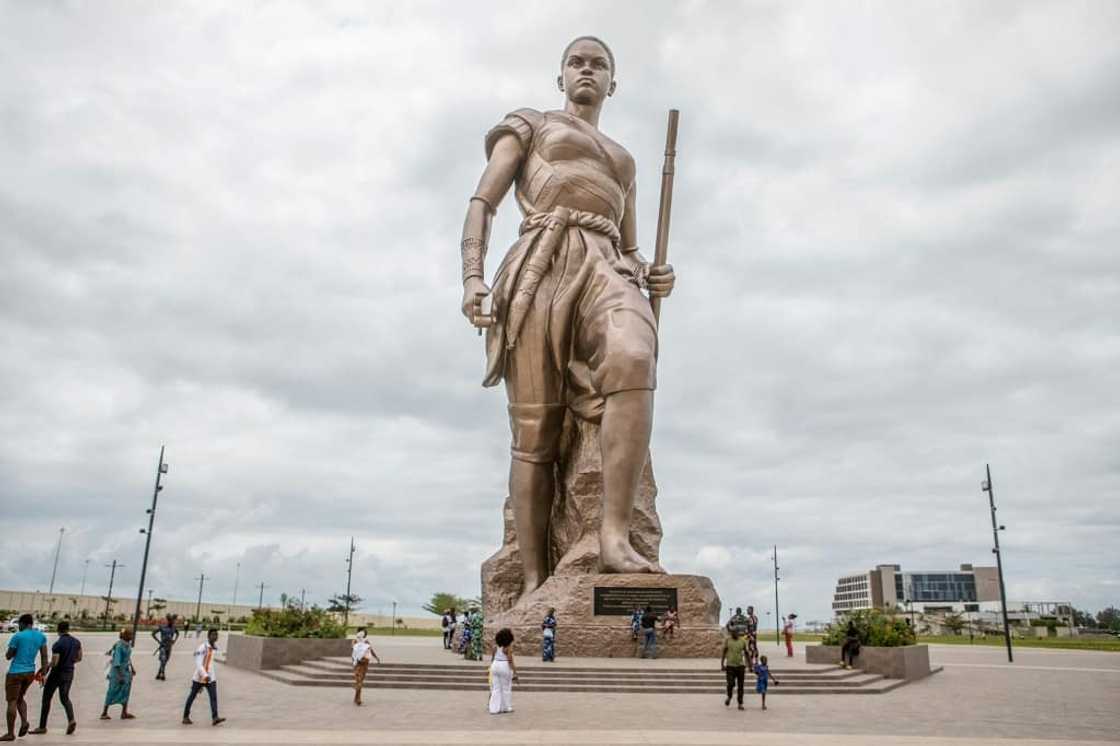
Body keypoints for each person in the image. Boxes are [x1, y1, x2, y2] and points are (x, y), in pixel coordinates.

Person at [458, 36, 677, 599]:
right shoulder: (530, 124)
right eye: (576, 62)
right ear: (560, 77)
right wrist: (473, 277)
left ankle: (614, 538)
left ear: (612, 82)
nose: (586, 70)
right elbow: (483, 202)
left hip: (606, 266)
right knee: (537, 431)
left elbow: (630, 249)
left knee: (635, 355)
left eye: (598, 64)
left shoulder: (624, 161)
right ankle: (535, 578)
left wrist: (653, 274)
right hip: (541, 263)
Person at [29, 620, 81, 736]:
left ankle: (42, 726)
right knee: (65, 698)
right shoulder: (76, 642)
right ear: (68, 629)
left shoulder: (58, 644)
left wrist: (47, 666)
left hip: (57, 674)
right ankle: (71, 719)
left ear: (58, 630)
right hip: (69, 673)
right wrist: (69, 662)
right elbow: (79, 657)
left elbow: (55, 662)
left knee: (46, 698)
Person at [4, 613, 48, 741]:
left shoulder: (18, 636)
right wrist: (44, 672)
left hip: (15, 672)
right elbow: (44, 656)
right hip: (30, 673)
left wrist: (13, 651)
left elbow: (8, 656)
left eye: (19, 624)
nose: (19, 627)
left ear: (22, 623)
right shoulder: (41, 636)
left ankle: (10, 733)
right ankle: (24, 722)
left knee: (12, 701)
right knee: (20, 698)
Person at [182, 628, 225, 726]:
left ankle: (215, 718)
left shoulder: (214, 648)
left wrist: (210, 676)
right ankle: (185, 717)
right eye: (213, 635)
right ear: (208, 636)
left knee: (213, 697)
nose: (215, 637)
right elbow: (198, 663)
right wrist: (204, 675)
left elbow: (210, 664)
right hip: (199, 677)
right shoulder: (202, 647)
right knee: (192, 696)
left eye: (216, 635)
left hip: (211, 678)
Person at [99, 628, 136, 721]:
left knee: (126, 691)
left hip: (126, 671)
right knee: (112, 690)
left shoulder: (127, 645)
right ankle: (104, 712)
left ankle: (124, 712)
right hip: (117, 673)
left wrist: (132, 668)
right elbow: (117, 662)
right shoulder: (119, 646)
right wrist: (120, 676)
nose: (132, 636)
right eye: (130, 634)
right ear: (125, 636)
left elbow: (128, 658)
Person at [488, 628, 519, 715]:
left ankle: (494, 708)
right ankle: (506, 707)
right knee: (506, 688)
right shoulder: (508, 648)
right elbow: (510, 661)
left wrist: (491, 669)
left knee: (496, 688)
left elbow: (492, 659)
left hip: (495, 665)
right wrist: (515, 672)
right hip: (504, 665)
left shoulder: (495, 647)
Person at [719, 626, 749, 710]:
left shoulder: (743, 641)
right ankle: (729, 696)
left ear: (738, 632)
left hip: (740, 666)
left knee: (740, 686)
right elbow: (724, 652)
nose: (732, 634)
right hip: (730, 666)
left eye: (734, 632)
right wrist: (722, 664)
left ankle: (740, 703)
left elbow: (746, 653)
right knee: (730, 683)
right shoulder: (728, 640)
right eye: (731, 632)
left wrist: (750, 665)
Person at [351, 629, 380, 706]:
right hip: (359, 664)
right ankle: (358, 699)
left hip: (364, 664)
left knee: (359, 681)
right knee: (359, 681)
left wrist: (376, 657)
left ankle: (356, 698)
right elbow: (354, 651)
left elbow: (370, 650)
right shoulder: (355, 641)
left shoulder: (365, 642)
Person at [151, 614, 180, 680]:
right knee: (163, 660)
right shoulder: (162, 627)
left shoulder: (173, 628)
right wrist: (159, 641)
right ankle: (162, 674)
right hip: (163, 646)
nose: (171, 622)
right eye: (169, 620)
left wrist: (174, 641)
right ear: (168, 621)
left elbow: (177, 633)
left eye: (171, 621)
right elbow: (153, 634)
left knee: (165, 661)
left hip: (169, 647)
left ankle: (158, 674)